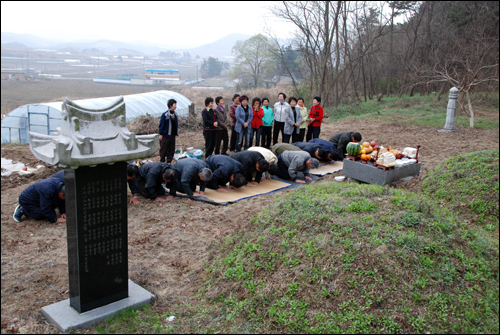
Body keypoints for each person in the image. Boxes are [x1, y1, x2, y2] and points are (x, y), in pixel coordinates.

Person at [51, 163, 142, 204]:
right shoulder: (111, 172)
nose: (130, 180)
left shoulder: (130, 169)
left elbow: (132, 182)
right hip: (64, 178)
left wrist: (134, 196)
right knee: (61, 193)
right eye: (128, 178)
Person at [159, 99, 179, 164]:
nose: (175, 106)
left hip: (172, 135)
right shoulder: (165, 115)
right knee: (164, 149)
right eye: (174, 104)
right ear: (170, 105)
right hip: (166, 135)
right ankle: (162, 162)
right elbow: (162, 124)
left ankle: (169, 162)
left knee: (171, 149)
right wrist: (161, 133)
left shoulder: (175, 114)